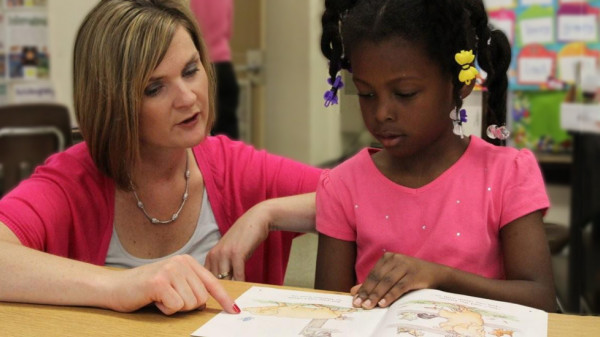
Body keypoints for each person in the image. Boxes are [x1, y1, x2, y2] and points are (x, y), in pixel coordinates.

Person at [0, 0, 320, 316]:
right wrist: (118, 286)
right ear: (113, 103)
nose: (187, 97)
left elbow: (360, 192)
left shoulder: (235, 168)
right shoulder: (73, 180)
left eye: (191, 71)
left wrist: (267, 212)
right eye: (154, 88)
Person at [315, 0, 556, 312]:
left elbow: (540, 299)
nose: (382, 113)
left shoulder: (507, 174)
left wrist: (439, 278)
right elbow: (327, 309)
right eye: (366, 93)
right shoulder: (342, 185)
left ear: (461, 83)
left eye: (405, 93)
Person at [190, 0, 240, 139]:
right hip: (224, 67)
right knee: (228, 134)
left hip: (205, 66)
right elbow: (229, 31)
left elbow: (193, 30)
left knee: (205, 132)